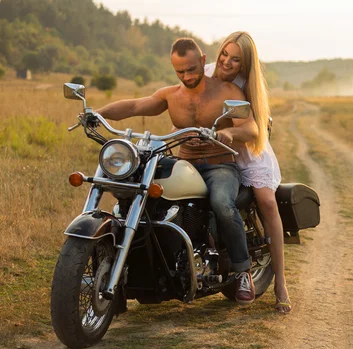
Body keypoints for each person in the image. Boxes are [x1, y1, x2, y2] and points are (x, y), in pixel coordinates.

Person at [96, 38, 258, 305]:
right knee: (139, 191)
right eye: (180, 71)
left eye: (192, 69)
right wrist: (98, 113)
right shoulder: (171, 95)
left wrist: (228, 131)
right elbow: (135, 106)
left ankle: (243, 270)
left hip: (218, 166)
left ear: (204, 60)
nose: (187, 76)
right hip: (183, 164)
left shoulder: (226, 91)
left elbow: (251, 128)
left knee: (222, 204)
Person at [208, 31, 291, 314]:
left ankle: (280, 282)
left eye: (236, 59)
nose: (227, 62)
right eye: (224, 55)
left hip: (248, 152)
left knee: (267, 202)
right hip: (216, 152)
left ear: (245, 64)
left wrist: (232, 131)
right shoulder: (207, 75)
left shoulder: (248, 86)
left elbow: (255, 130)